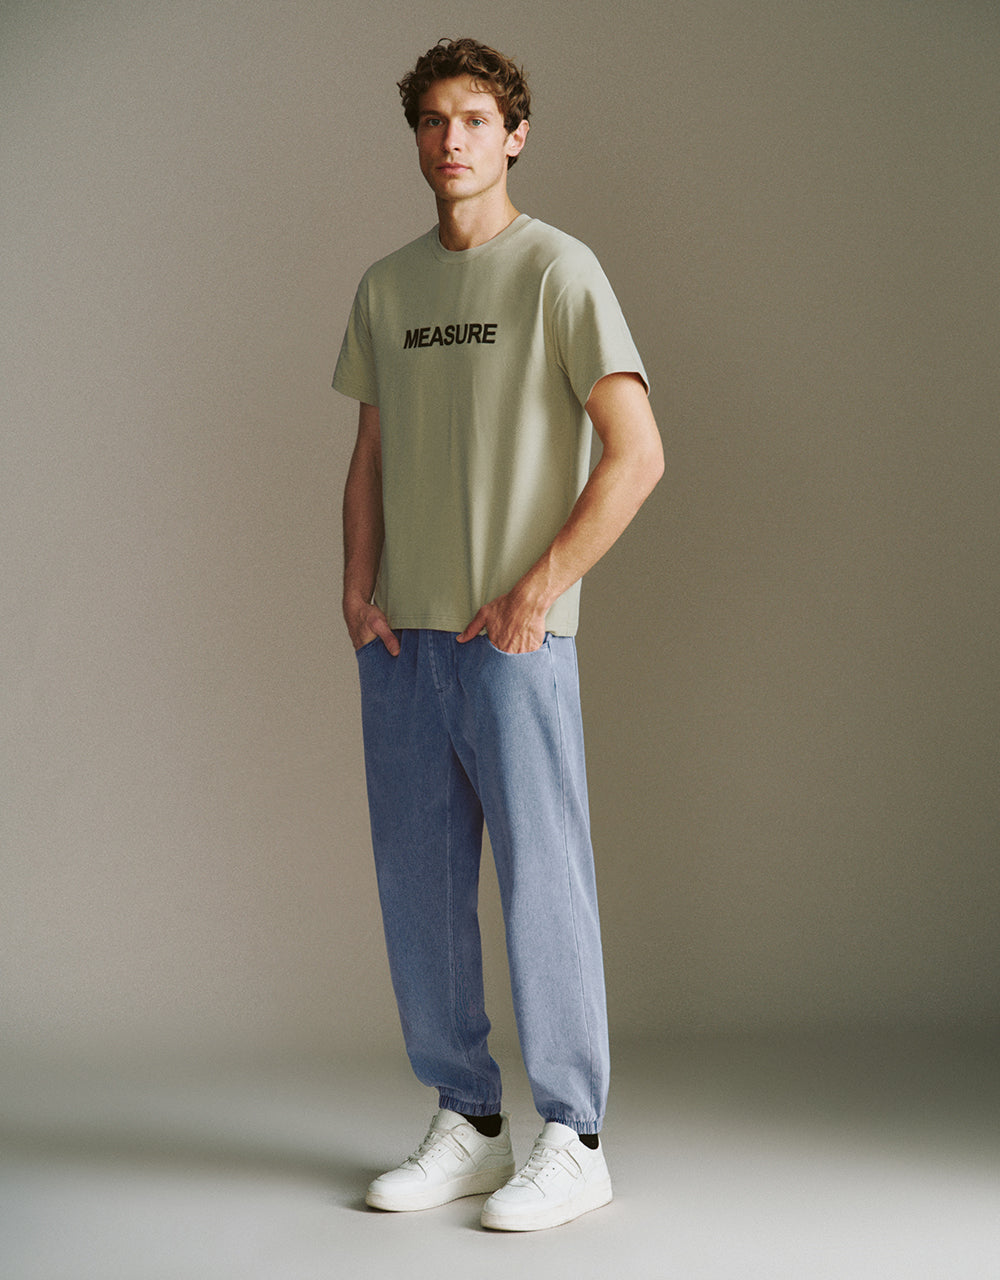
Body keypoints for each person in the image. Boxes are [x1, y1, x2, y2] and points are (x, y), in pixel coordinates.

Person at [333, 37, 662, 1232]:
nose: (452, 139)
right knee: (418, 888)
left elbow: (637, 453)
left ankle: (574, 1136)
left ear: (514, 135)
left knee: (542, 881)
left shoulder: (558, 271)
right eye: (433, 120)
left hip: (514, 640)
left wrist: (542, 587)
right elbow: (371, 452)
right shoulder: (386, 287)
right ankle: (468, 1121)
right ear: (416, 139)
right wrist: (357, 590)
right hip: (403, 641)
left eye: (474, 119)